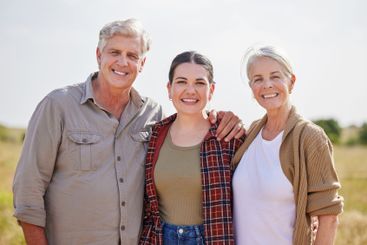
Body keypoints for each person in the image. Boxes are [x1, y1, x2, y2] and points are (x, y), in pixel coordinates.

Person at [12, 19, 244, 245]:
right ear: (98, 55)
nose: (123, 62)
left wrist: (225, 118)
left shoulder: (152, 114)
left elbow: (189, 122)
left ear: (142, 64)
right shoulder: (58, 106)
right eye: (115, 52)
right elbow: (27, 192)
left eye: (132, 56)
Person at [232, 45, 343, 245]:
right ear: (252, 88)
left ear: (291, 82)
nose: (267, 85)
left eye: (275, 76)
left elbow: (329, 217)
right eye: (258, 79)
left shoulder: (310, 137)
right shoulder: (250, 134)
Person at [139, 51, 244, 244]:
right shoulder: (154, 136)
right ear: (169, 89)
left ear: (211, 90)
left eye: (199, 82)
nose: (190, 90)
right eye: (181, 81)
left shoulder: (229, 137)